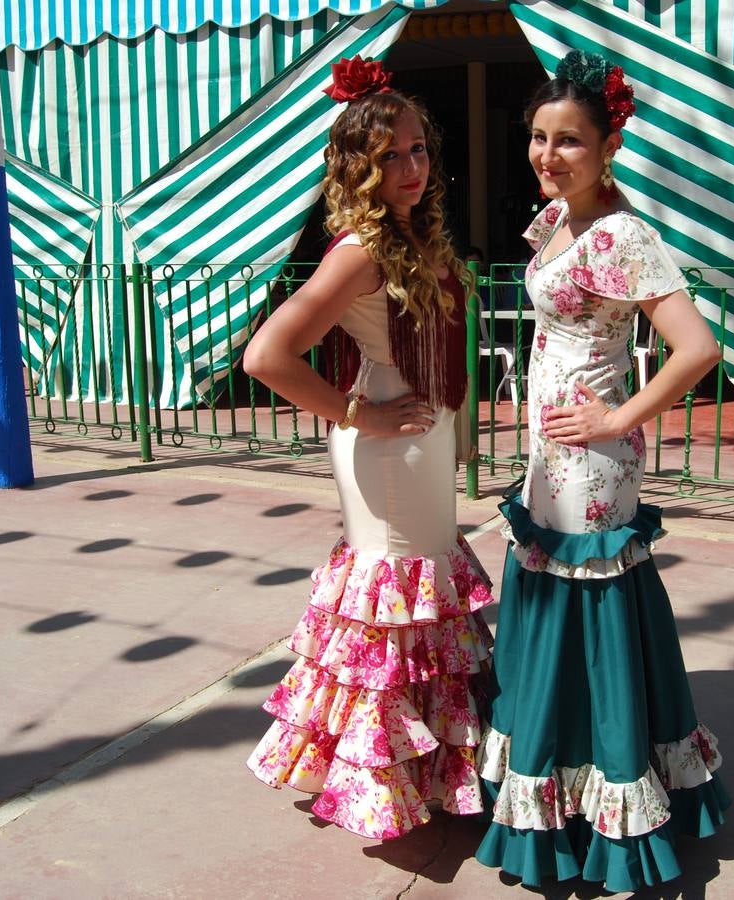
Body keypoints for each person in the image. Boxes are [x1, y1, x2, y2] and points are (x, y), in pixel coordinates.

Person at [474, 50, 730, 892]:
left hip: (593, 462)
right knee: (554, 606)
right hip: (553, 453)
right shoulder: (557, 220)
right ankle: (562, 779)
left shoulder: (624, 235)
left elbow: (697, 349)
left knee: (585, 614)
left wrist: (617, 417)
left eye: (571, 142)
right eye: (540, 139)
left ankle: (602, 793)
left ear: (609, 145)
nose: (550, 156)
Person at [241, 56, 494, 840]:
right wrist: (360, 416)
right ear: (359, 165)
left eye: (419, 149)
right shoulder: (359, 248)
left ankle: (419, 772)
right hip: (386, 449)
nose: (412, 167)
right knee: (391, 609)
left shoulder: (419, 235)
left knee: (418, 602)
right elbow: (266, 355)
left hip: (417, 446)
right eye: (390, 155)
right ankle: (383, 784)